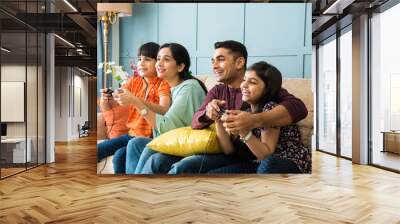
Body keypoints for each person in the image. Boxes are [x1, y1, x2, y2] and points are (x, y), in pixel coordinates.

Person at [141, 40, 308, 174]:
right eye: (213, 61)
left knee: (185, 166)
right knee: (154, 157)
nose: (214, 65)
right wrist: (210, 114)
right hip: (233, 151)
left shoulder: (263, 90)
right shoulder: (218, 91)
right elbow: (196, 122)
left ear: (239, 62)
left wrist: (252, 120)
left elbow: (298, 108)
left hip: (255, 156)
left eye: (220, 59)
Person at [210, 61, 311, 173]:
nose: (244, 85)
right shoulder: (246, 111)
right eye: (244, 80)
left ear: (267, 89)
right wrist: (218, 120)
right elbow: (228, 150)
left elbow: (265, 154)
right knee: (214, 174)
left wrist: (244, 131)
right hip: (258, 162)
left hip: (287, 161)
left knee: (267, 165)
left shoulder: (271, 108)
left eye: (252, 82)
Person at [125, 43, 207, 174]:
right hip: (172, 141)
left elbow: (166, 127)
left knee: (152, 155)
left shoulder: (189, 88)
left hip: (187, 145)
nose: (159, 63)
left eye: (166, 59)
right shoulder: (172, 88)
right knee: (135, 144)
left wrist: (136, 102)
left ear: (180, 66)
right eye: (158, 59)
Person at [97, 42, 171, 174]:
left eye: (147, 59)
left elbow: (164, 109)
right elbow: (119, 95)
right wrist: (110, 96)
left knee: (120, 156)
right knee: (99, 149)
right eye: (139, 59)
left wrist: (136, 100)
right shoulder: (134, 81)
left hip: (148, 138)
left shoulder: (163, 84)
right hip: (131, 135)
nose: (141, 63)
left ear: (158, 63)